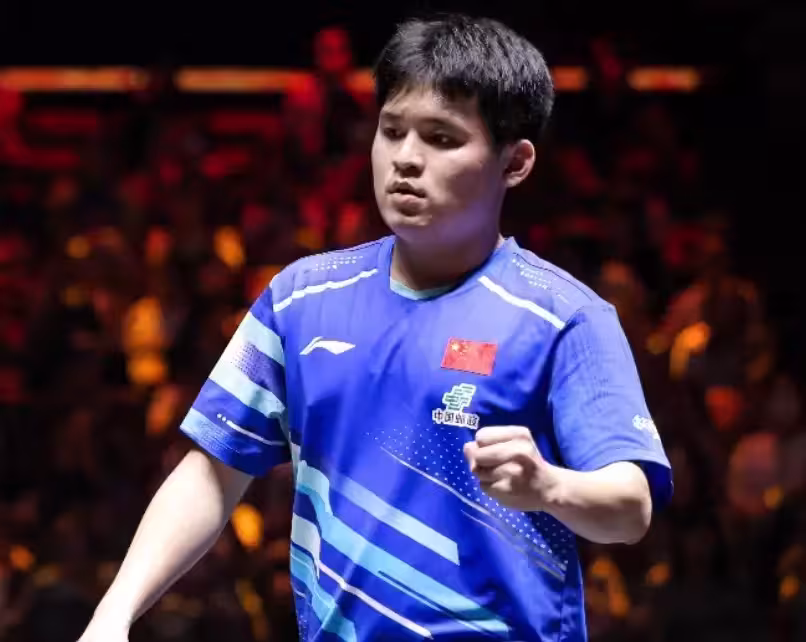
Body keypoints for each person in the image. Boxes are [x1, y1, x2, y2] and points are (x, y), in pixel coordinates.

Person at [78, 13, 672, 641]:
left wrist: (549, 485)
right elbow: (213, 471)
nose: (406, 159)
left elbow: (630, 506)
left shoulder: (564, 318)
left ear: (515, 162)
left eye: (442, 138)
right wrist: (114, 613)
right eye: (392, 131)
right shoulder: (301, 299)